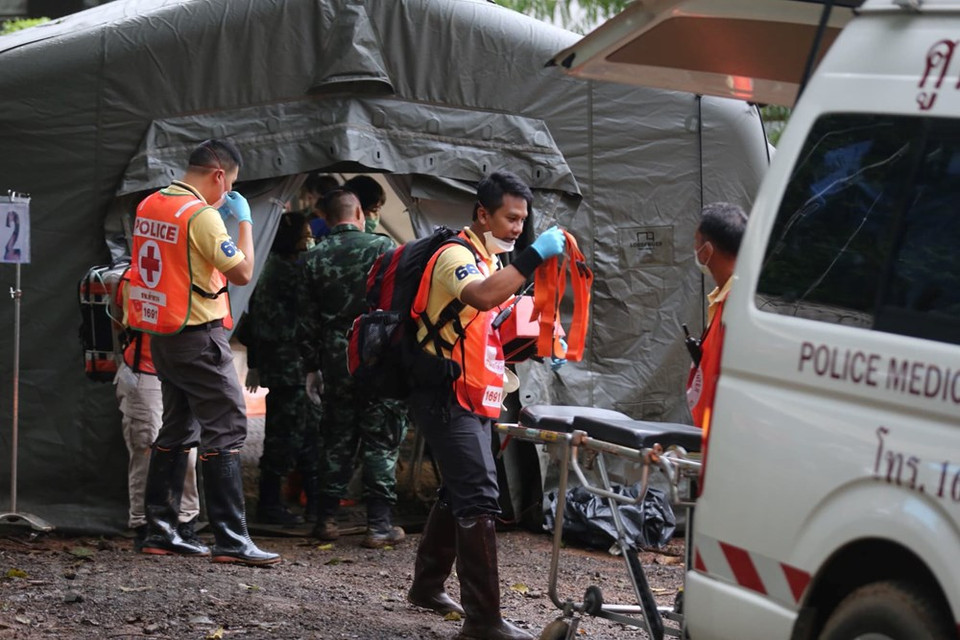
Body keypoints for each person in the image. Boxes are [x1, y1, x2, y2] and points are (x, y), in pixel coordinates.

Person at [404, 171, 565, 640]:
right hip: (442, 394)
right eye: (510, 218)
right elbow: (480, 296)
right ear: (482, 213)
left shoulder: (490, 258)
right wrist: (535, 257)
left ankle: (427, 587)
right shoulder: (456, 256)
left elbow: (484, 327)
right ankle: (484, 621)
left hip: (474, 392)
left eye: (523, 220)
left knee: (460, 490)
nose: (518, 227)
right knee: (478, 495)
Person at [126, 138, 280, 566]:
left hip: (164, 332)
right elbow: (244, 271)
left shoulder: (151, 204)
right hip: (197, 333)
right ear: (218, 175)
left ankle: (160, 530)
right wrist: (243, 223)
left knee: (177, 426)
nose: (226, 194)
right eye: (228, 185)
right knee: (229, 423)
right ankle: (232, 539)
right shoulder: (202, 216)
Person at [298, 189, 408, 549]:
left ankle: (326, 519)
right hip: (377, 355)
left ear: (327, 219)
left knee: (337, 436)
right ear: (360, 213)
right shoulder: (382, 248)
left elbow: (306, 321)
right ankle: (378, 525)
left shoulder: (312, 257)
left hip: (335, 357)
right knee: (381, 437)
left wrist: (312, 367)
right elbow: (399, 305)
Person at [238, 211, 319, 526]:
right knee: (304, 437)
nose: (309, 238)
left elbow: (252, 321)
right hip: (296, 367)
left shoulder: (263, 268)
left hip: (278, 366)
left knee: (279, 436)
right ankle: (300, 506)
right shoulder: (295, 272)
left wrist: (256, 362)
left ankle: (274, 502)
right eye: (305, 233)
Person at [114, 278, 202, 552]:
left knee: (188, 453)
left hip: (183, 371)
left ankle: (186, 523)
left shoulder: (196, 270)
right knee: (146, 449)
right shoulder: (133, 277)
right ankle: (144, 526)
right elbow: (125, 320)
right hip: (145, 371)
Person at [685, 201, 747, 428]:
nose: (694, 249)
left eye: (696, 242)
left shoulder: (739, 306)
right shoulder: (724, 300)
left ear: (707, 251)